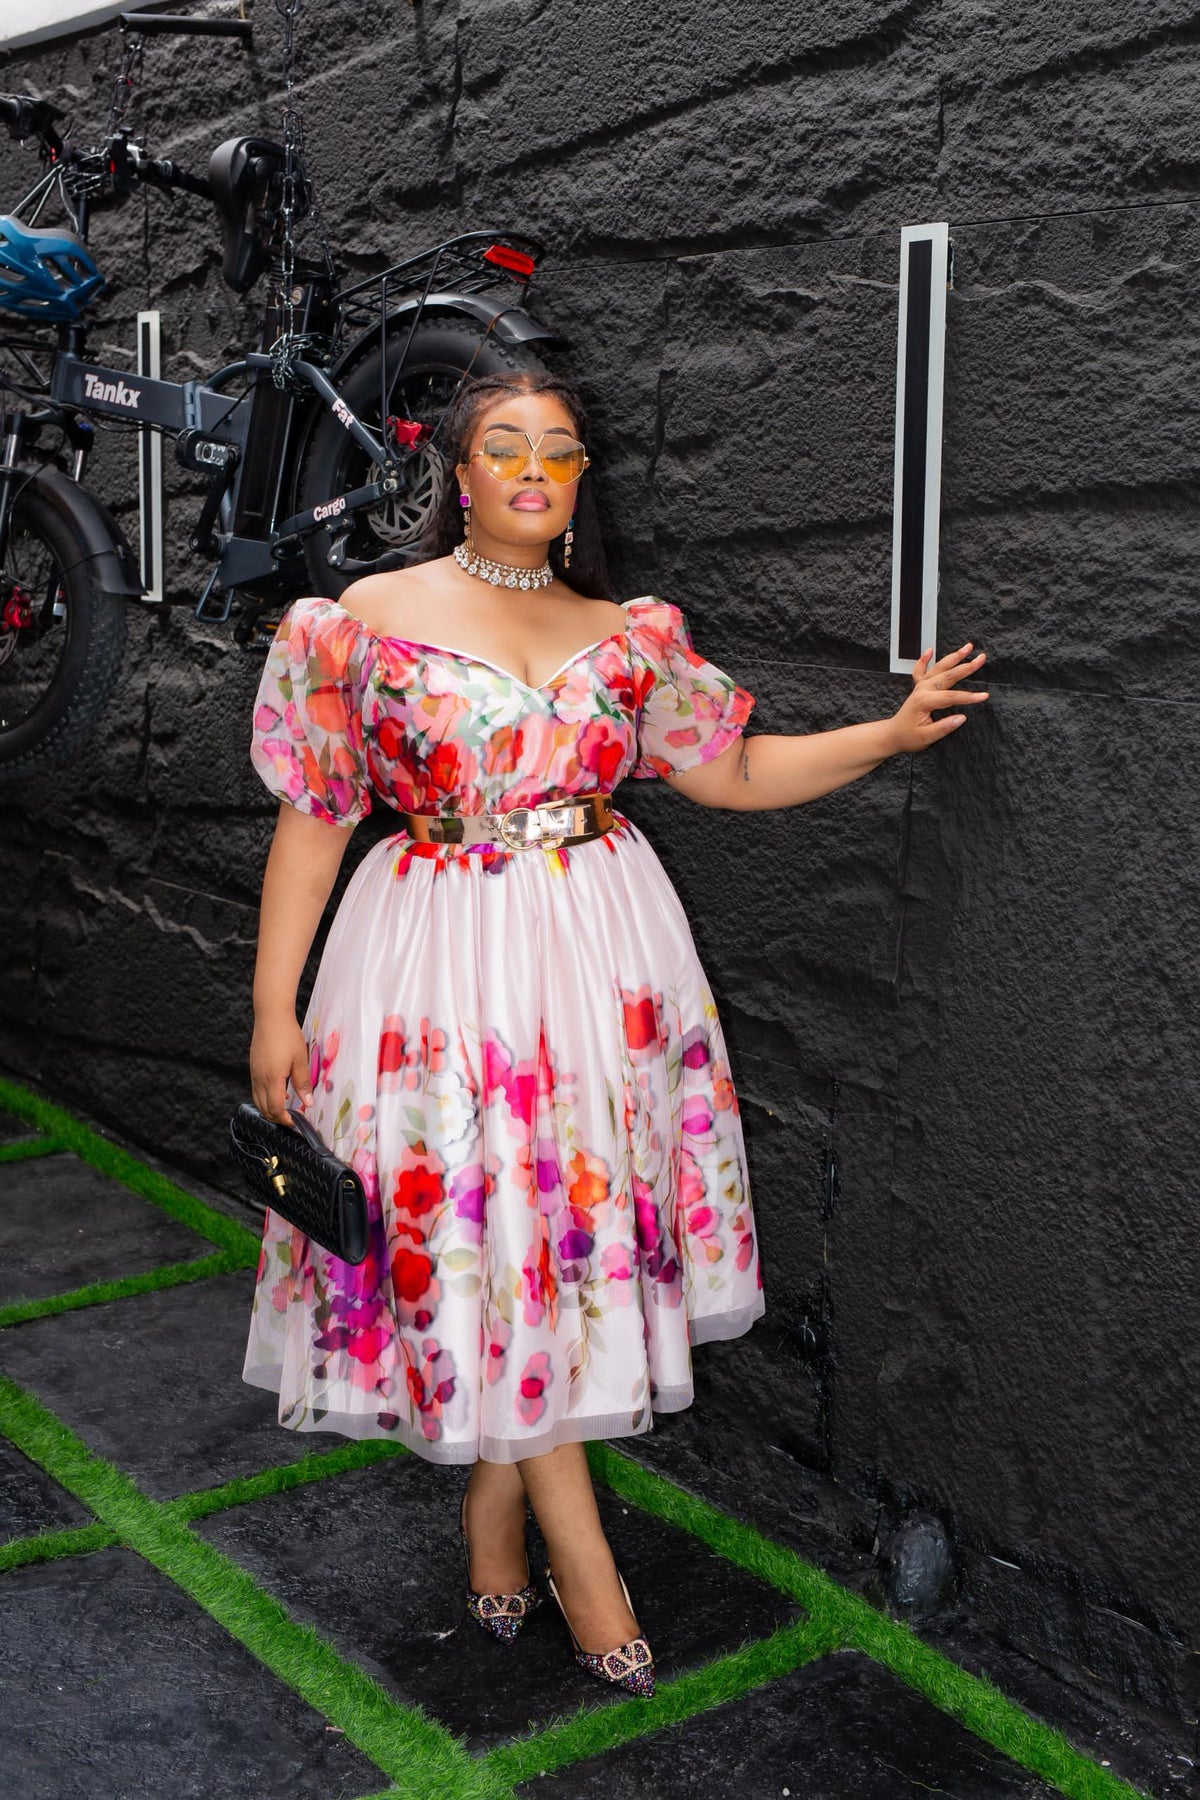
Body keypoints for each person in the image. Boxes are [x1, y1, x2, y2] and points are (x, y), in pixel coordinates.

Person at [242, 369, 988, 1699]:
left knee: (556, 1224)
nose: (534, 468)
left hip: (601, 960)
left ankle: (495, 1505)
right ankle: (584, 1564)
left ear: (582, 478)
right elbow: (314, 822)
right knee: (477, 1221)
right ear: (460, 474)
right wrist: (271, 1006)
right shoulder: (365, 621)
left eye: (560, 449)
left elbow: (732, 772)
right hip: (434, 959)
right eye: (505, 446)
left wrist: (886, 734)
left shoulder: (627, 634)